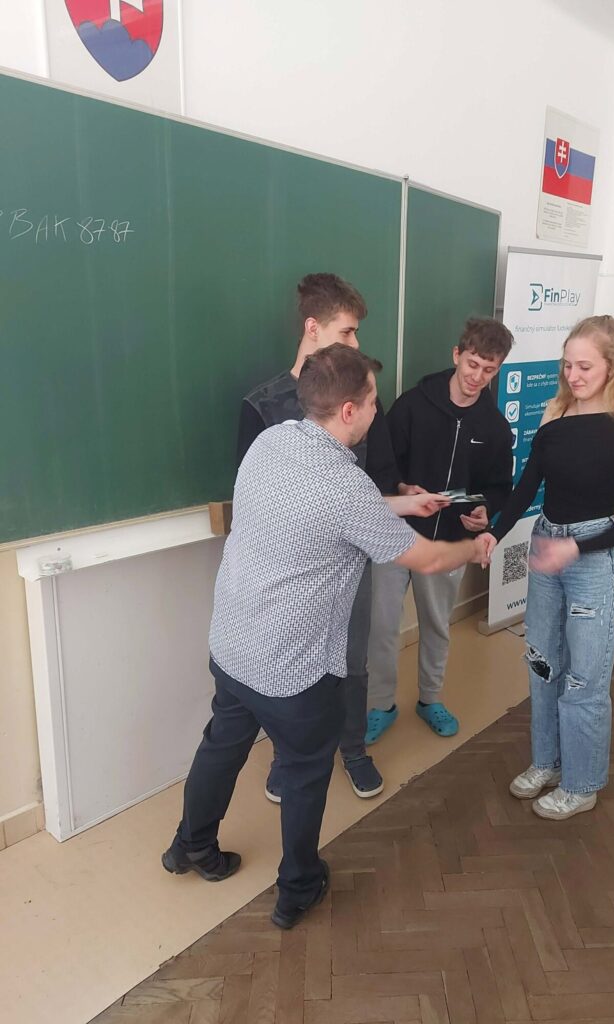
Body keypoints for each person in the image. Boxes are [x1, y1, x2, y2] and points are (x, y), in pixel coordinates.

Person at [163, 344, 493, 930]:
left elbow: (333, 508)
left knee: (222, 744)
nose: (375, 411)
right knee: (305, 772)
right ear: (347, 410)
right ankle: (298, 888)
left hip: (234, 642)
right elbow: (427, 560)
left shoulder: (273, 441)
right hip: (293, 667)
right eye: (371, 402)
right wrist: (474, 547)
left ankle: (190, 845)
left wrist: (403, 502)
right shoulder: (345, 485)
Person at [236, 273, 426, 802]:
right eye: (347, 331)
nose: (356, 343)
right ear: (313, 328)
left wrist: (403, 494)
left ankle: (353, 748)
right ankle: (287, 756)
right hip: (286, 573)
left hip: (349, 564)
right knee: (287, 670)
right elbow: (248, 496)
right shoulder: (262, 406)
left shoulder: (361, 397)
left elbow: (379, 476)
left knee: (351, 660)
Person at [483, 315, 614, 821]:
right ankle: (547, 762)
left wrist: (575, 549)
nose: (573, 375)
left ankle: (582, 785)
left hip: (591, 560)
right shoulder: (555, 421)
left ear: (612, 367)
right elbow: (526, 486)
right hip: (546, 547)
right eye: (567, 365)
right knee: (542, 663)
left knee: (585, 678)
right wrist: (494, 532)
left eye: (584, 366)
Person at [366, 317, 515, 744]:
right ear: (457, 355)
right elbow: (382, 462)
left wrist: (485, 511)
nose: (477, 377)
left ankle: (430, 699)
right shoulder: (413, 405)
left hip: (449, 542)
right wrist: (400, 488)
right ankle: (380, 704)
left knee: (436, 625)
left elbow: (498, 488)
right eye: (472, 364)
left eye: (489, 370)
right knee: (382, 626)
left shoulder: (494, 426)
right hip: (395, 536)